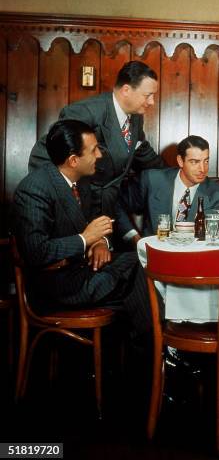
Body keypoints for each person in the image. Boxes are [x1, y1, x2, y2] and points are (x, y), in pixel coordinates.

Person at [13, 120, 152, 343]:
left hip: (81, 271)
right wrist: (85, 239)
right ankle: (154, 355)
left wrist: (99, 243)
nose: (99, 155)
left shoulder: (81, 183)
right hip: (54, 286)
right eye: (94, 150)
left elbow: (94, 224)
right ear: (73, 160)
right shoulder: (35, 189)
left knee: (144, 264)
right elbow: (35, 252)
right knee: (140, 286)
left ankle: (143, 357)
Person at [28, 61, 165, 218]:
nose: (152, 102)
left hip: (109, 208)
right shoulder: (87, 112)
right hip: (77, 208)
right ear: (126, 90)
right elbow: (43, 153)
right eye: (148, 96)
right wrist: (60, 199)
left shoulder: (136, 118)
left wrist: (176, 173)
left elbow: (142, 151)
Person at [116, 135, 219, 241]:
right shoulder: (152, 180)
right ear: (180, 161)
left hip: (193, 256)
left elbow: (212, 236)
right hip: (154, 254)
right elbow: (117, 204)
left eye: (206, 161)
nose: (203, 169)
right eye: (195, 162)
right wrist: (133, 237)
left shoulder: (217, 194)